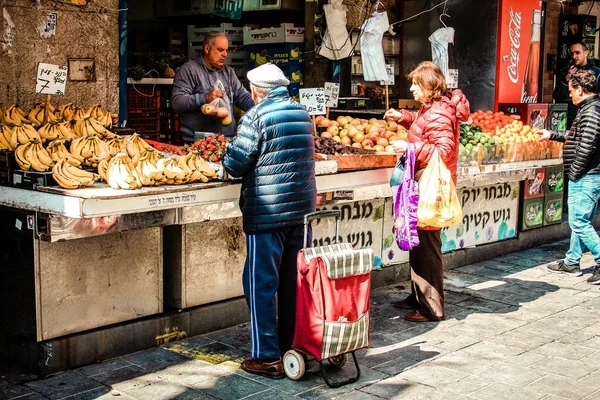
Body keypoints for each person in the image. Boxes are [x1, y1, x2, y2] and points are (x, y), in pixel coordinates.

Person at [222, 63, 317, 378]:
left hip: (268, 213)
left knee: (259, 283)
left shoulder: (256, 117)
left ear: (255, 91)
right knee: (292, 282)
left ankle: (266, 357)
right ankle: (290, 346)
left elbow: (236, 164)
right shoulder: (303, 114)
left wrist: (225, 155)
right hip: (302, 212)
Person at [384, 61, 470, 322]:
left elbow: (443, 152)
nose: (411, 89)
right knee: (418, 241)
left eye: (415, 84)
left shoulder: (439, 112)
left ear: (429, 87)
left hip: (432, 187)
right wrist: (406, 118)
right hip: (423, 181)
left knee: (427, 247)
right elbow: (428, 130)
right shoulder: (432, 108)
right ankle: (418, 295)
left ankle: (432, 308)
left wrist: (408, 148)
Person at [539, 69, 600, 284]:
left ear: (581, 89)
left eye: (572, 90)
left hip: (586, 176)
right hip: (586, 175)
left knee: (579, 222)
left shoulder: (592, 111)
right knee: (580, 221)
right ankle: (572, 261)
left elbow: (587, 146)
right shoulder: (588, 108)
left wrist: (574, 173)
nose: (570, 94)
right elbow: (577, 137)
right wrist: (553, 135)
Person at [171, 31, 255, 142]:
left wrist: (259, 107)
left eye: (226, 50)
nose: (225, 54)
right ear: (207, 49)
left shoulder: (228, 72)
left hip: (226, 139)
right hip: (197, 142)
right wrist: (204, 98)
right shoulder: (188, 70)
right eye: (220, 50)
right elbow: (177, 102)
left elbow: (242, 96)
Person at [553, 41, 600, 129]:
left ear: (586, 53)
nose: (574, 56)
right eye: (572, 53)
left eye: (577, 53)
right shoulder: (565, 71)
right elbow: (557, 96)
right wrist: (566, 79)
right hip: (565, 117)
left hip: (588, 115)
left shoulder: (596, 72)